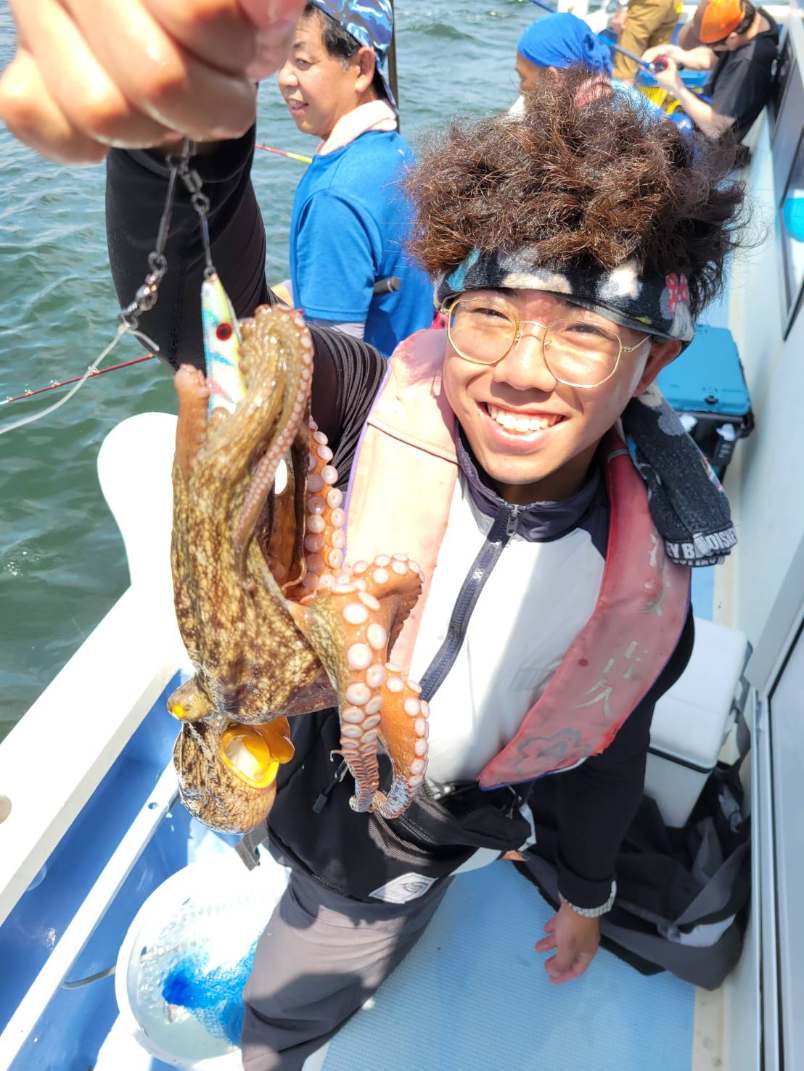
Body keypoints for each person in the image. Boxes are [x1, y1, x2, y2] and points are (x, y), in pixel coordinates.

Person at [0, 5, 745, 1068]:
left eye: (584, 332)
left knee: (295, 1001)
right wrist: (183, 139)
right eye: (489, 316)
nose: (522, 372)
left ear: (654, 361)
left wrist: (586, 895)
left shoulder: (643, 586)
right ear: (449, 314)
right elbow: (221, 330)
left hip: (413, 847)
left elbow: (604, 757)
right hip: (299, 758)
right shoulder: (369, 406)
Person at [275, 1, 434, 354]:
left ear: (362, 68)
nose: (284, 78)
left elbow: (336, 365)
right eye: (280, 57)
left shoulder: (334, 197)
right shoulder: (394, 152)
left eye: (302, 62)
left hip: (370, 388)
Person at [642, 0, 780, 143]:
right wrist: (674, 53)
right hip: (696, 117)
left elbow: (715, 129)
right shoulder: (754, 20)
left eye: (710, 45)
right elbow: (713, 57)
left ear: (732, 38)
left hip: (705, 146)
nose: (710, 48)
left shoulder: (747, 64)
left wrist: (675, 86)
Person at [609, 0, 679, 84]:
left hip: (648, 4)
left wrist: (622, 7)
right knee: (658, 66)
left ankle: (624, 90)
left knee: (625, 73)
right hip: (674, 5)